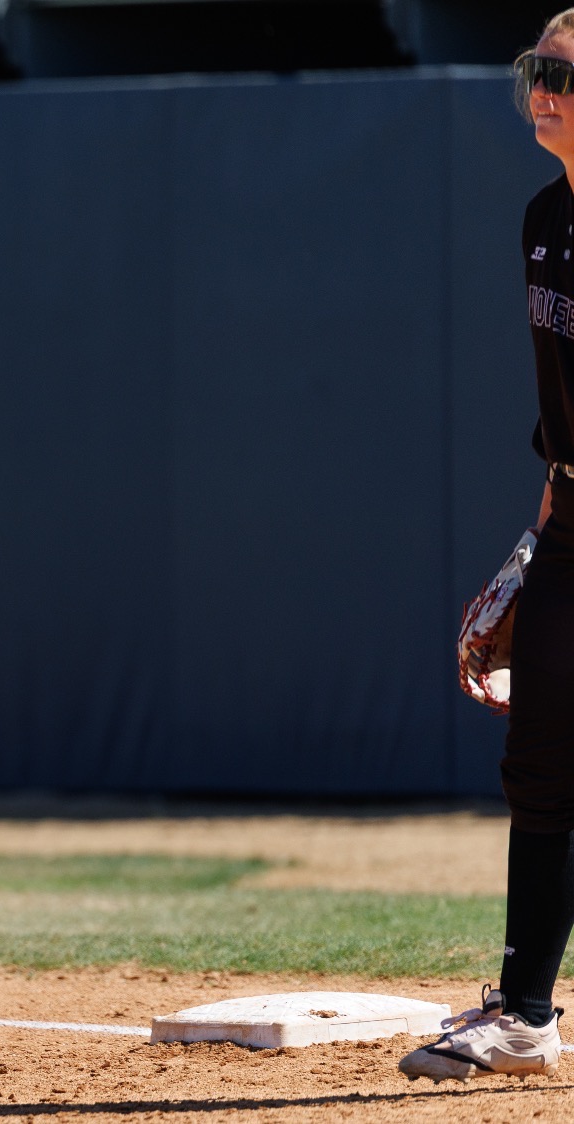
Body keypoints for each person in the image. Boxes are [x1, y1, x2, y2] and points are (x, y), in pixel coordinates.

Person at [401, 11, 574, 1081]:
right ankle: (524, 1014)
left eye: (564, 73)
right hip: (572, 521)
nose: (542, 89)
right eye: (535, 68)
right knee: (540, 763)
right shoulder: (542, 218)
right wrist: (543, 522)